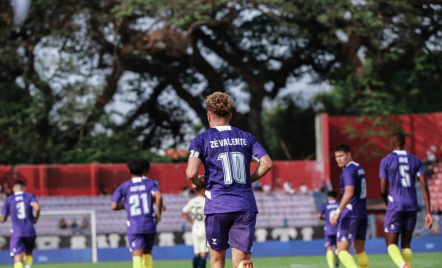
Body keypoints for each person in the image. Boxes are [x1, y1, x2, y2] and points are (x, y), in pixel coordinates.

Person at [186, 92, 273, 268]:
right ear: (230, 115)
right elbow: (267, 163)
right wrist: (248, 179)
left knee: (217, 261)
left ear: (208, 115)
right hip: (244, 205)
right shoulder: (246, 137)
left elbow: (191, 173)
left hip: (217, 206)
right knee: (240, 262)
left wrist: (197, 183)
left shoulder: (202, 139)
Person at [379, 132, 433, 268]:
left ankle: (403, 265)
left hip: (395, 204)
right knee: (406, 244)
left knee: (391, 244)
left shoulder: (386, 160)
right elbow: (424, 185)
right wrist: (428, 212)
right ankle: (406, 264)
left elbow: (382, 188)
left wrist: (387, 201)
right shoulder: (416, 160)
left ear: (392, 144)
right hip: (411, 205)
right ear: (404, 143)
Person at [111, 158, 163, 268]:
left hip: (134, 226)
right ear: (145, 170)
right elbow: (158, 196)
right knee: (147, 254)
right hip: (149, 223)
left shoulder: (125, 186)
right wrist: (159, 213)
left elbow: (114, 206)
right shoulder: (151, 183)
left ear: (129, 171)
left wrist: (123, 205)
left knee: (137, 256)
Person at [330, 144, 369, 268]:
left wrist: (338, 211)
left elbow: (349, 192)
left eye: (341, 156)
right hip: (362, 213)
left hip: (350, 214)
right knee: (359, 251)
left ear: (349, 155)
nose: (339, 159)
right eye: (336, 157)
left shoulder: (348, 170)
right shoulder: (359, 167)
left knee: (341, 251)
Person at [0, 180, 40, 268]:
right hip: (30, 230)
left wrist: (2, 218)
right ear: (24, 188)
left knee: (17, 257)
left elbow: (3, 219)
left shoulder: (10, 199)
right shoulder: (30, 196)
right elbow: (37, 208)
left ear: (14, 189)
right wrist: (35, 218)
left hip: (17, 232)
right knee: (28, 252)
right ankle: (28, 266)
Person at [182, 186, 208, 268]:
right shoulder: (205, 201)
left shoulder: (191, 201)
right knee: (203, 253)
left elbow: (184, 213)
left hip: (195, 227)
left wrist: (192, 222)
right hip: (204, 227)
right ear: (203, 190)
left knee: (197, 253)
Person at [318, 191, 340, 268]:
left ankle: (331, 266)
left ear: (328, 197)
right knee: (339, 247)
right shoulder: (339, 204)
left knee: (329, 247)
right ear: (336, 197)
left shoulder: (325, 205)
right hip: (339, 229)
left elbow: (319, 215)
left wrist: (325, 219)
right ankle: (337, 254)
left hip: (329, 229)